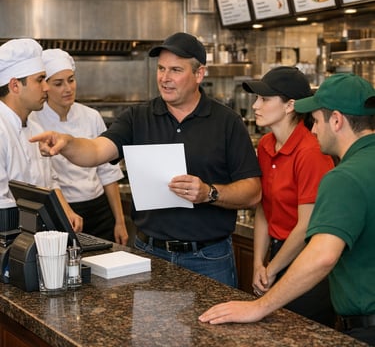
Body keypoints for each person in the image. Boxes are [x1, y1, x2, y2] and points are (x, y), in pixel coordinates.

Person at [30, 32, 262, 287]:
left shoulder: (227, 122)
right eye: (161, 69)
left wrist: (209, 193)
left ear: (199, 74)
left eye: (175, 70)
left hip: (209, 258)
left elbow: (252, 192)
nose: (164, 78)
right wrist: (68, 143)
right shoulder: (138, 117)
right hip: (150, 253)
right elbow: (96, 151)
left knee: (216, 328)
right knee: (151, 328)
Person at [199, 73, 375, 346]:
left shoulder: (343, 177)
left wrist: (259, 306)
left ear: (337, 120)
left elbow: (322, 257)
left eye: (316, 121)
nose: (313, 130)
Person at [242, 66, 335, 327]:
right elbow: (263, 209)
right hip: (276, 253)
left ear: (290, 105)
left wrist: (271, 269)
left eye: (264, 99)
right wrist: (258, 264)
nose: (256, 106)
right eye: (256, 99)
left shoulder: (311, 150)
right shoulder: (265, 145)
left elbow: (306, 224)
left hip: (307, 257)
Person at [28, 49, 128, 244]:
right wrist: (66, 210)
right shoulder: (35, 122)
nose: (68, 88)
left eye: (71, 80)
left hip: (100, 209)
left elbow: (107, 172)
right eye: (58, 83)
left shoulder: (91, 116)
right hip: (63, 210)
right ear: (46, 86)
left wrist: (120, 221)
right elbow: (47, 178)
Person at [0, 38, 82, 232]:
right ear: (15, 86)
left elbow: (49, 180)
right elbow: (2, 204)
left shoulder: (35, 128)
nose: (46, 87)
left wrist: (64, 210)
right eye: (40, 80)